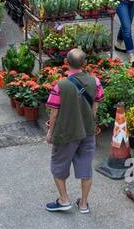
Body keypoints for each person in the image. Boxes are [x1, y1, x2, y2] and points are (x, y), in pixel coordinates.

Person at [43, 48, 103, 214]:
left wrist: (50, 132)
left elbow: (54, 112)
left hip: (66, 132)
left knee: (58, 166)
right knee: (85, 167)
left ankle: (64, 200)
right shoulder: (95, 82)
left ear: (66, 63)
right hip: (88, 131)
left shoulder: (60, 86)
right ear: (85, 64)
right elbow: (95, 106)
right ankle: (83, 204)